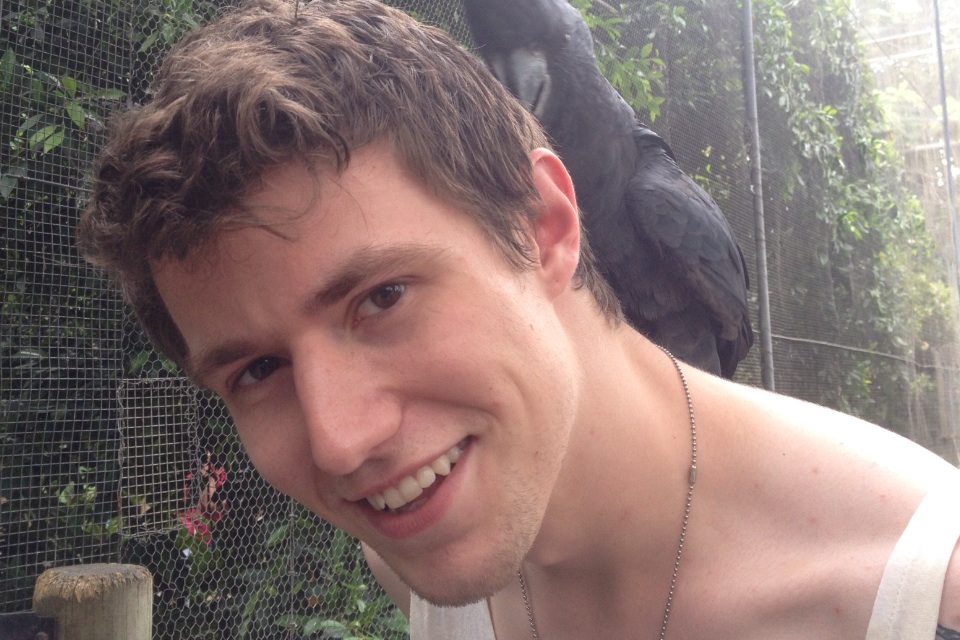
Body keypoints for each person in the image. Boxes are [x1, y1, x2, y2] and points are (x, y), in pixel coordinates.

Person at [78, 0, 960, 637]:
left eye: (383, 296)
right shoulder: (418, 557)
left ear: (546, 226)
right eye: (258, 369)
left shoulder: (922, 594)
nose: (341, 443)